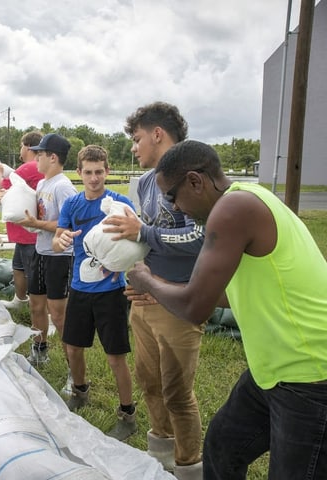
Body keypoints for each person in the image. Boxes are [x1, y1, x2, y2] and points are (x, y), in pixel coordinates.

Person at [127, 139, 327, 480]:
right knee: (221, 447)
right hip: (272, 372)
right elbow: (218, 295)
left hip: (309, 375)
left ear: (195, 181)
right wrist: (160, 291)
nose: (174, 208)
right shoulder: (243, 202)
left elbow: (195, 308)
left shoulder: (234, 208)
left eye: (172, 196)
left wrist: (146, 280)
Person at [103, 102, 204, 479]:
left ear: (157, 134)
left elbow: (201, 237)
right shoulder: (145, 183)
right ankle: (160, 457)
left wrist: (143, 233)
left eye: (137, 138)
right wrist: (134, 274)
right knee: (149, 382)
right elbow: (142, 243)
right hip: (145, 299)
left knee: (178, 393)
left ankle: (189, 465)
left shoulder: (195, 175)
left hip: (180, 302)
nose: (134, 147)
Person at [52, 145, 138, 441]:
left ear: (107, 171)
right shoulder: (72, 205)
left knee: (116, 357)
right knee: (73, 347)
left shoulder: (120, 203)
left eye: (99, 171)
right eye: (87, 172)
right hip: (79, 288)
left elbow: (136, 245)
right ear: (79, 173)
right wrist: (60, 240)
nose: (93, 178)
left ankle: (128, 414)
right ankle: (80, 392)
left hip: (111, 291)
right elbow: (56, 241)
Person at [17, 133, 76, 369]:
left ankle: (75, 369)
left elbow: (69, 225)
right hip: (40, 252)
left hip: (59, 257)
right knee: (36, 305)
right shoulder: (42, 183)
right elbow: (37, 213)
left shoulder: (63, 187)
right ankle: (39, 350)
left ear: (52, 158)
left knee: (59, 316)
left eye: (39, 154)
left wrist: (37, 224)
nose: (35, 158)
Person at [0, 130, 44, 311]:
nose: (20, 150)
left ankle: (45, 312)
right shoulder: (36, 168)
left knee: (33, 274)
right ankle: (20, 300)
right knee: (18, 267)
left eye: (21, 146)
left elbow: (2, 191)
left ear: (28, 147)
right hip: (24, 233)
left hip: (28, 233)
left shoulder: (28, 167)